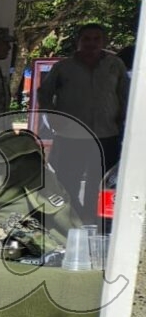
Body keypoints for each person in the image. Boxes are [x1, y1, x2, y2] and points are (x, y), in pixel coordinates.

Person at [39, 22, 129, 215]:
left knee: (101, 183)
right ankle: (70, 219)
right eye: (86, 39)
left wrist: (123, 121)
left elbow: (125, 94)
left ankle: (96, 222)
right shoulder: (64, 67)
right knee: (67, 180)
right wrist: (52, 116)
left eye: (96, 39)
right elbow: (44, 93)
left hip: (106, 134)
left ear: (104, 41)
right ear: (78, 42)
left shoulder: (115, 65)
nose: (91, 43)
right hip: (71, 134)